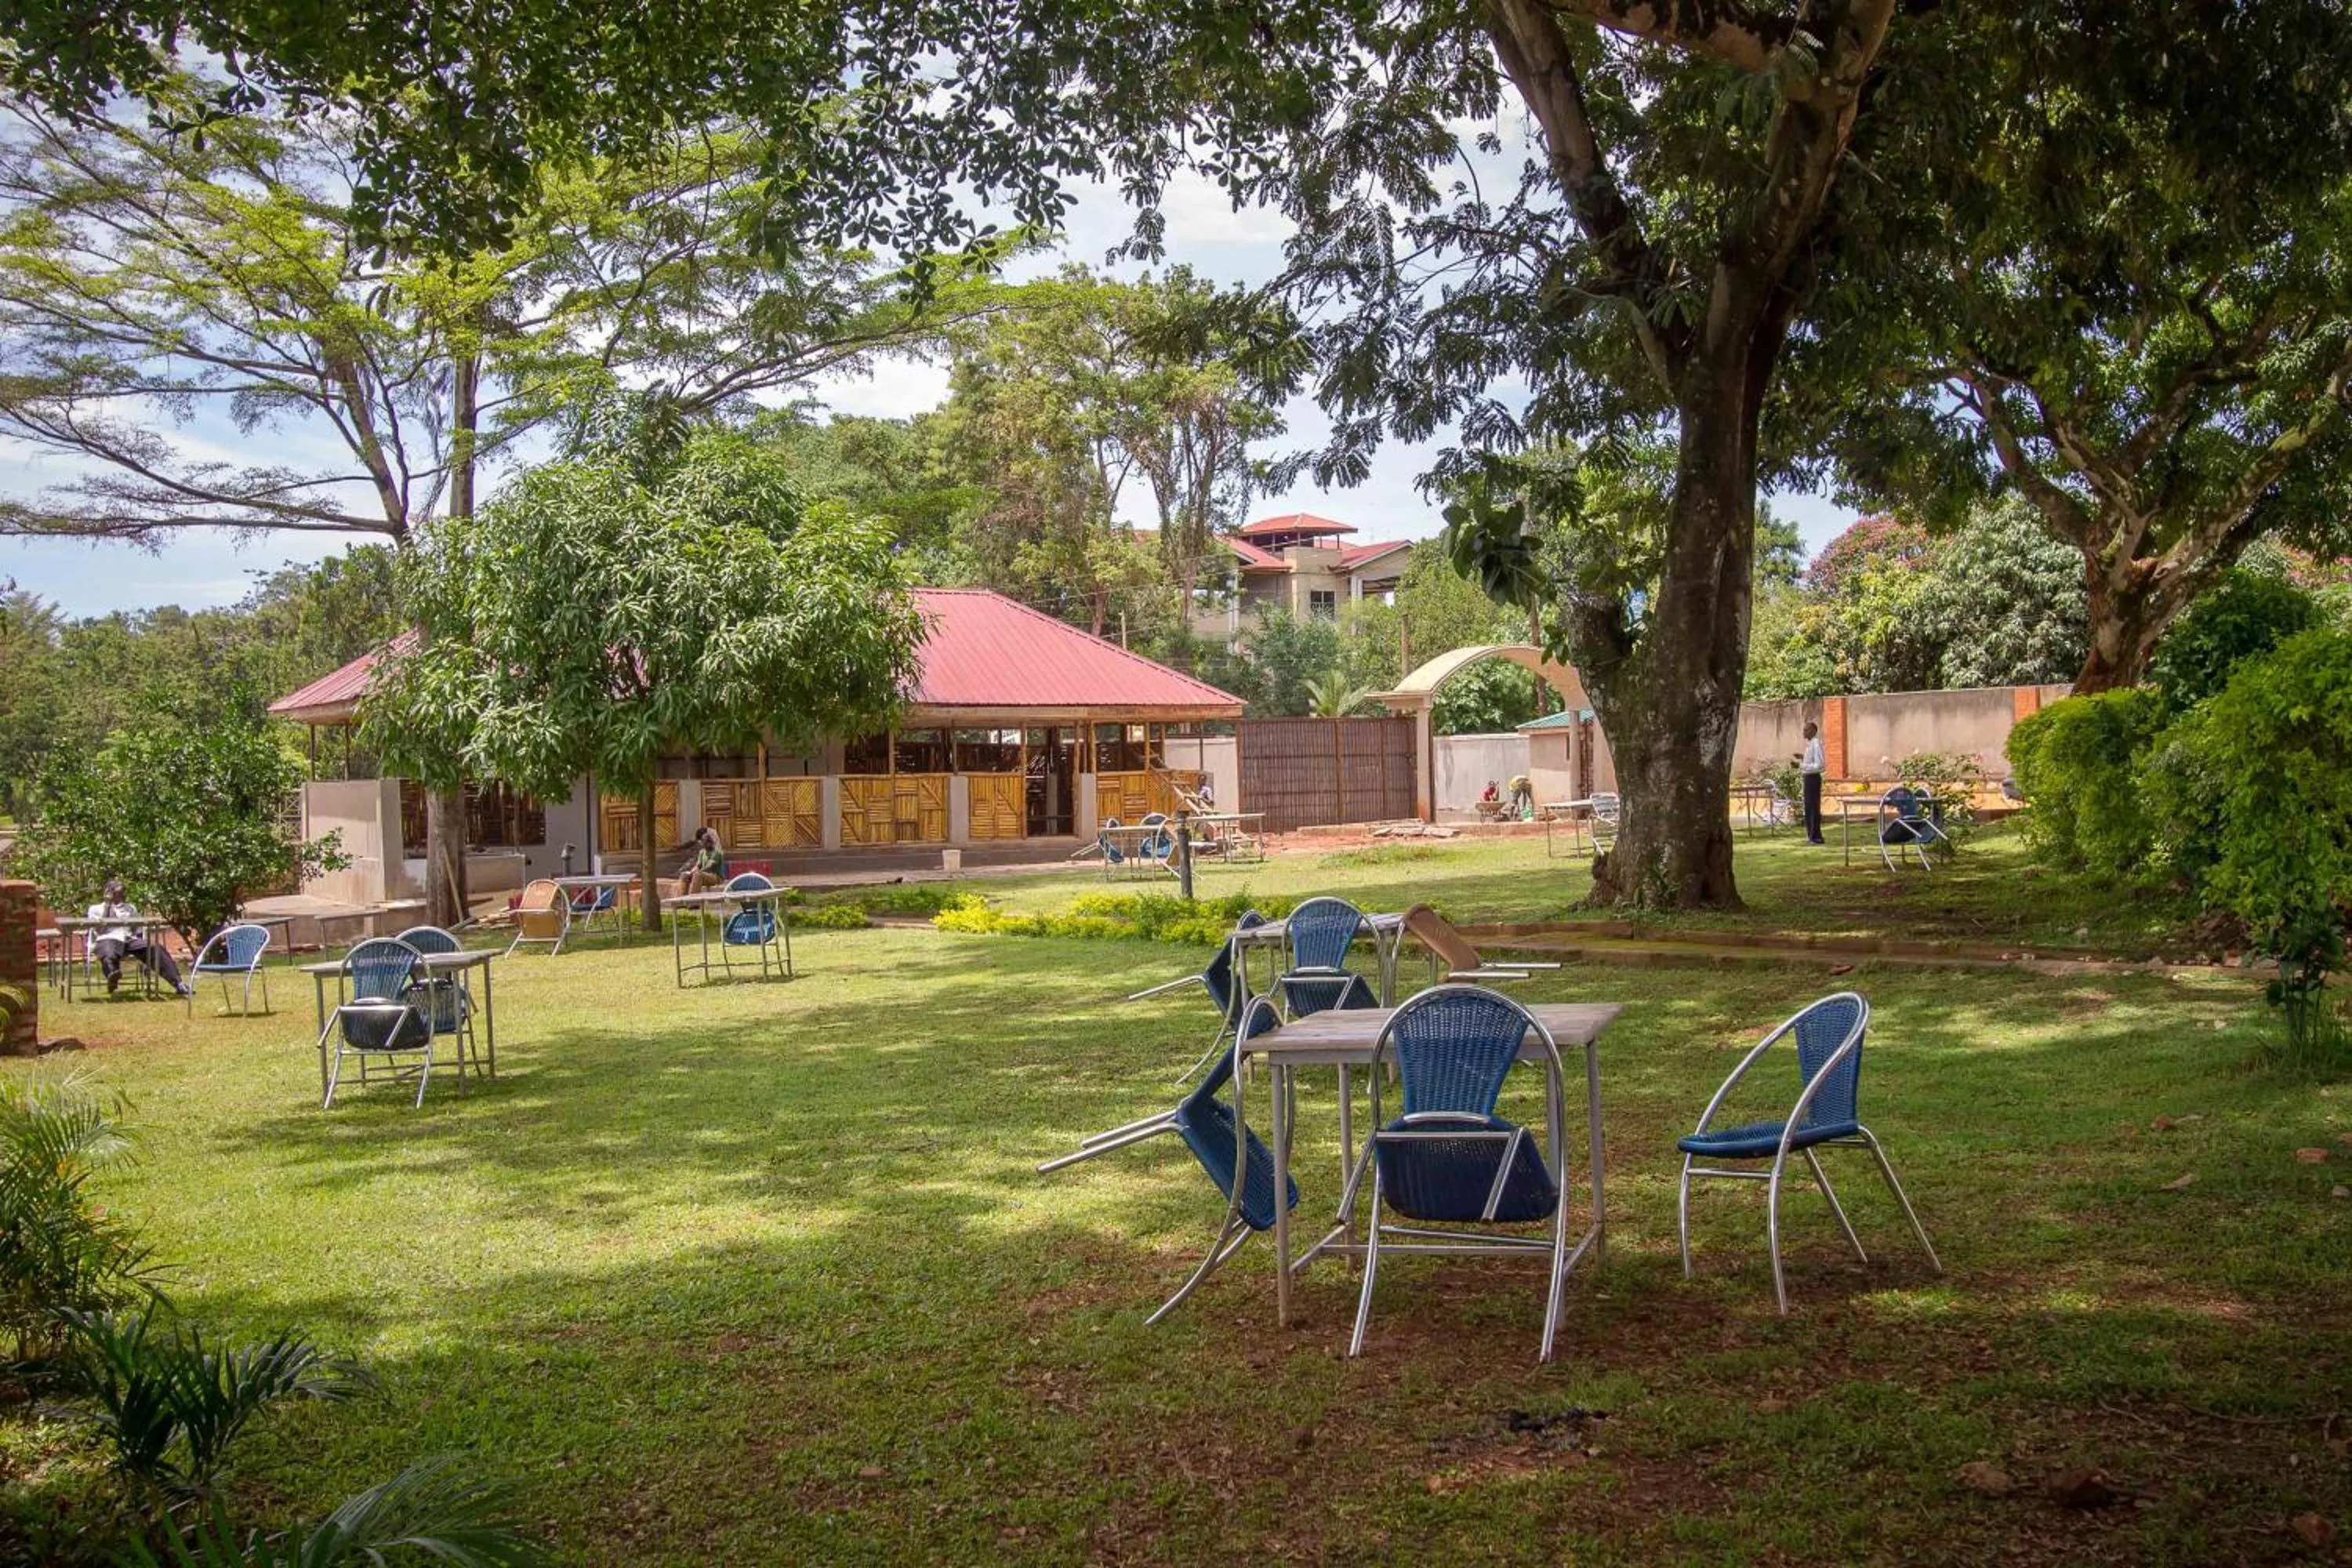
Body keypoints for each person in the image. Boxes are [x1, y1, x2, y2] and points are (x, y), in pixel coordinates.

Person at [85, 879, 189, 997]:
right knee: (109, 952)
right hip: (107, 939)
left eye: (124, 892)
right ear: (109, 893)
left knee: (155, 948)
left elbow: (138, 928)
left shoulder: (130, 908)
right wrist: (108, 906)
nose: (124, 895)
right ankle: (112, 975)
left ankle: (178, 984)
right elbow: (100, 931)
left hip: (128, 940)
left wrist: (132, 928)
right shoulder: (95, 909)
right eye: (120, 892)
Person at [1798, 720, 1827, 844]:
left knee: (1813, 808)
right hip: (1808, 778)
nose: (1804, 732)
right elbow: (1810, 761)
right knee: (1808, 807)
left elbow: (1820, 765)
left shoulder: (1816, 743)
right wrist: (1802, 759)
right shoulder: (1810, 744)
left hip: (1813, 778)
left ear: (1814, 731)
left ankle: (1816, 836)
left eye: (1807, 729)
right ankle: (1811, 835)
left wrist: (1801, 765)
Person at [678, 826, 728, 894]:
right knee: (684, 876)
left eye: (703, 842)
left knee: (698, 875)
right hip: (704, 875)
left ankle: (694, 900)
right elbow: (698, 866)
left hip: (717, 877)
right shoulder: (702, 852)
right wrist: (690, 873)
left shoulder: (717, 853)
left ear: (709, 843)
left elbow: (709, 866)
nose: (701, 843)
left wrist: (697, 872)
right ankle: (683, 899)